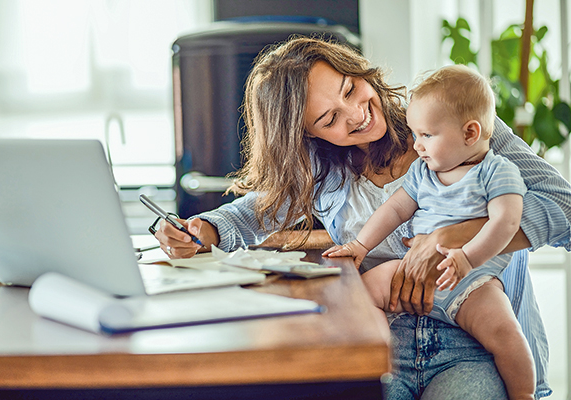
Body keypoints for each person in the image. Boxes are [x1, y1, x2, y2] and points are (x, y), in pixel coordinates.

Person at [155, 36, 571, 399]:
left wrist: (455, 235)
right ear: (308, 136)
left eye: (350, 89)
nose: (356, 113)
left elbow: (565, 209)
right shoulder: (323, 170)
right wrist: (201, 230)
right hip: (381, 339)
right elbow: (254, 212)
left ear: (358, 70)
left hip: (476, 338)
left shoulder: (453, 118)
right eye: (329, 118)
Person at [323, 64, 534, 399]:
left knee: (504, 331)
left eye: (427, 136)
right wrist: (361, 245)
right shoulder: (423, 172)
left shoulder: (497, 171)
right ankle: (381, 361)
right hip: (413, 268)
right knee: (362, 292)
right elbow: (394, 209)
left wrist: (466, 258)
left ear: (469, 134)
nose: (416, 145)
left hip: (472, 280)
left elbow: (506, 224)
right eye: (415, 134)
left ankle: (524, 393)